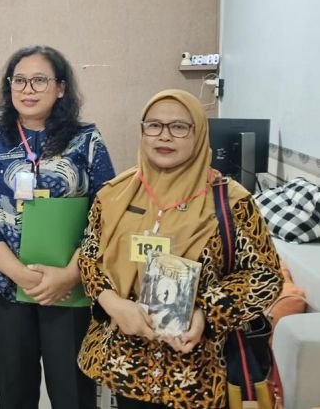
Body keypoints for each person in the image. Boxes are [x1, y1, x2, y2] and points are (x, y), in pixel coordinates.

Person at [77, 89, 283, 409]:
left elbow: (266, 275)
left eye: (179, 127)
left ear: (199, 134)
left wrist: (206, 314)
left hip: (199, 372)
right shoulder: (115, 195)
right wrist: (114, 304)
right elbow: (90, 256)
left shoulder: (231, 202)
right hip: (129, 365)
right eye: (154, 125)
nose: (165, 136)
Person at [0, 45, 115, 409]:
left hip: (69, 286)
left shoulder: (86, 139)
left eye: (39, 80)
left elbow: (107, 212)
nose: (28, 90)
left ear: (60, 88)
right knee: (15, 389)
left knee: (72, 390)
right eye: (19, 80)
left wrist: (70, 274)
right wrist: (21, 276)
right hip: (6, 286)